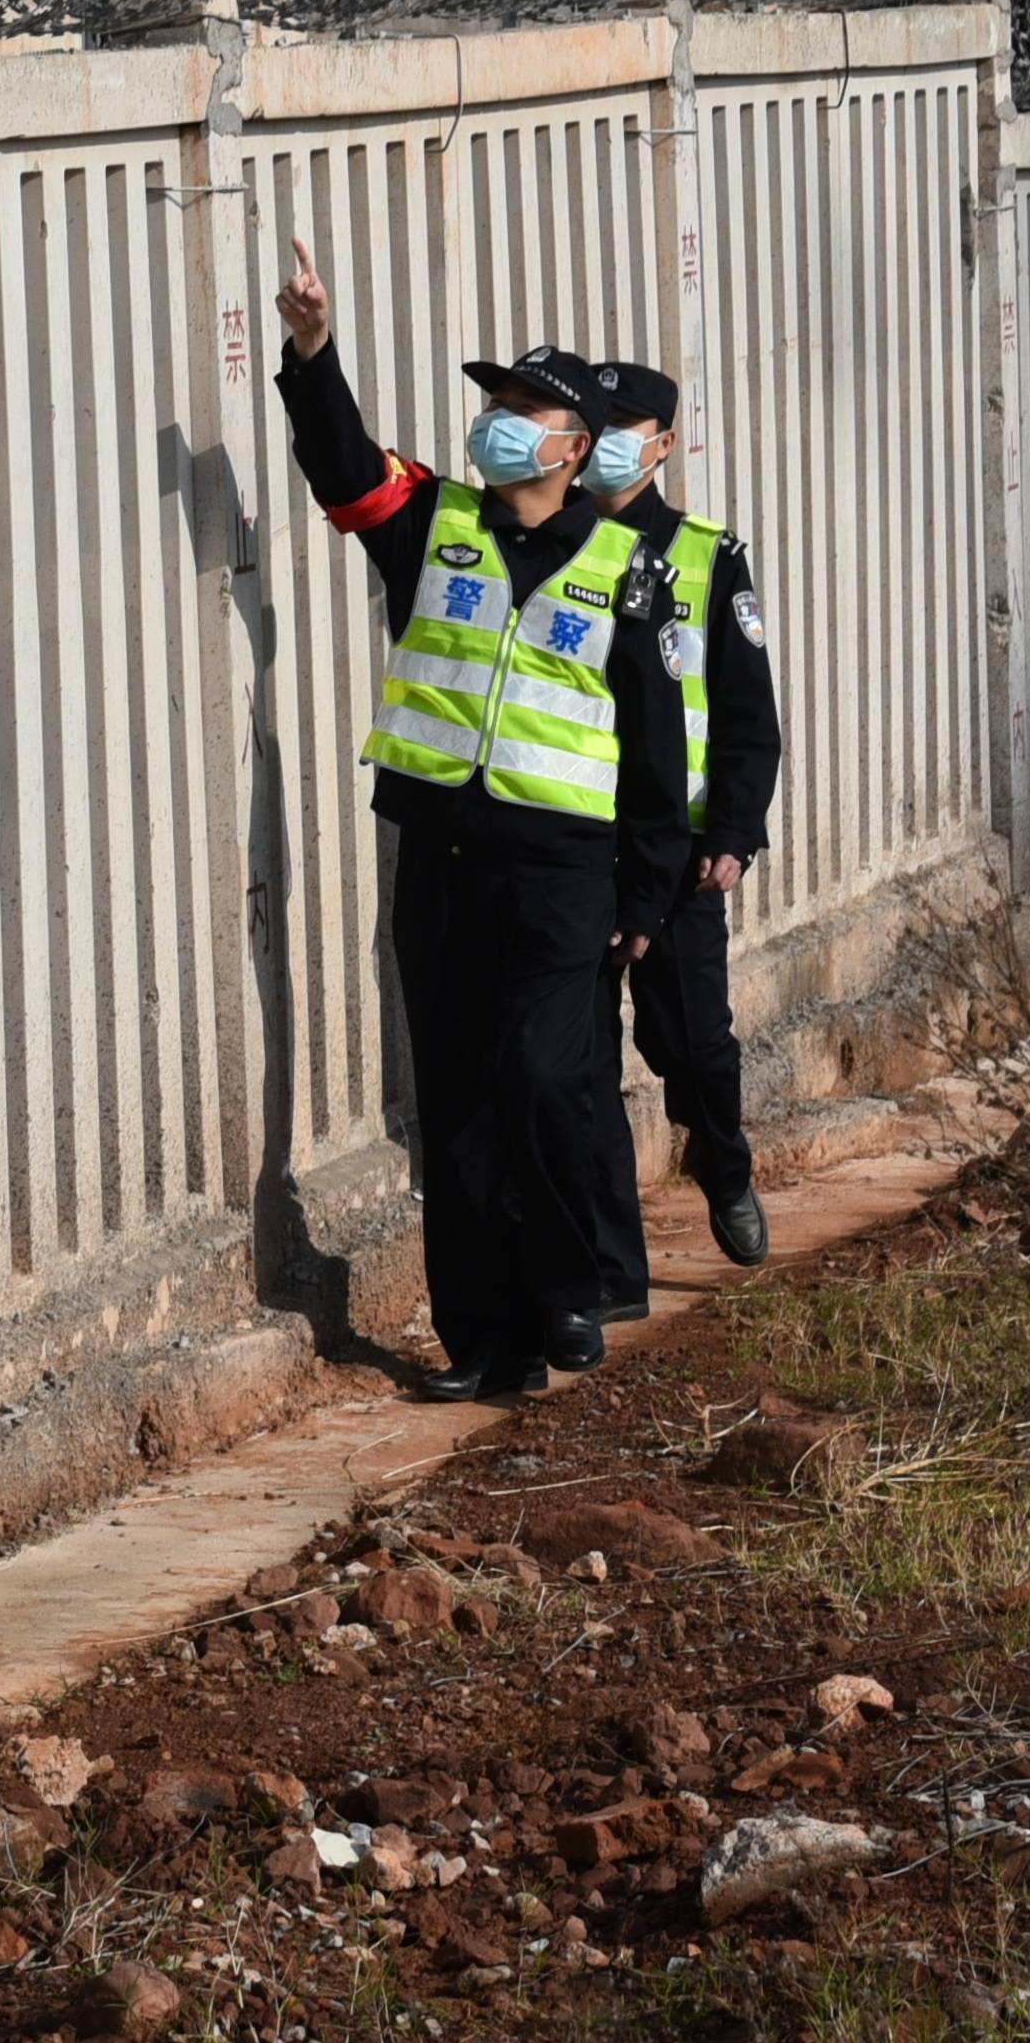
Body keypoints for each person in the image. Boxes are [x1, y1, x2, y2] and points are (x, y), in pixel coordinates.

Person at [270, 243, 694, 1401]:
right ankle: (484, 1339)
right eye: (493, 403)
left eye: (524, 410)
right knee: (454, 1093)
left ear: (573, 446)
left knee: (543, 1078)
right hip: (441, 852)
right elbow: (343, 467)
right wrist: (313, 349)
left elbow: (660, 757)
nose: (497, 423)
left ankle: (569, 1287)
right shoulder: (431, 517)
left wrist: (649, 894)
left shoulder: (629, 569)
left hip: (563, 868)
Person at [578, 359, 782, 1313]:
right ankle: (598, 1257)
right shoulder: (554, 540)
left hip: (683, 851)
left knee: (692, 1043)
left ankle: (725, 1164)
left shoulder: (705, 556)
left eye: (631, 426)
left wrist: (735, 837)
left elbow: (746, 717)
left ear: (661, 445)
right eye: (600, 421)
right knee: (571, 1056)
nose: (611, 439)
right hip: (576, 834)